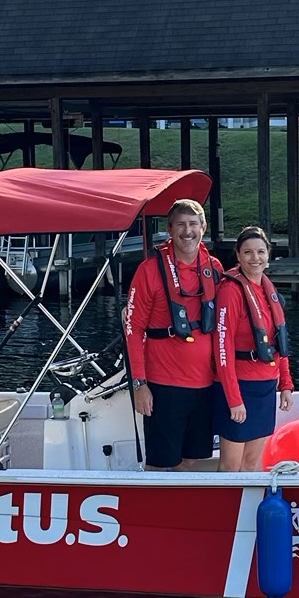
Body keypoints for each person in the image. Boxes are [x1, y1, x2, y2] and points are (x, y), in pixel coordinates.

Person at [123, 199, 224, 470]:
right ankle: (154, 511)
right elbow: (133, 331)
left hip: (205, 385)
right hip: (164, 385)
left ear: (203, 227)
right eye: (180, 224)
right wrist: (139, 385)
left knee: (193, 459)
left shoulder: (214, 267)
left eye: (193, 224)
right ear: (169, 229)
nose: (187, 231)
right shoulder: (149, 271)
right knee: (160, 464)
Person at [213, 226, 294, 471]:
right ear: (238, 255)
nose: (255, 258)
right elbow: (222, 350)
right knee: (231, 465)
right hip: (239, 387)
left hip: (265, 387)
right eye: (247, 252)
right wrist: (234, 400)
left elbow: (278, 342)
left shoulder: (268, 291)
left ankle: (249, 509)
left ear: (268, 255)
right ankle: (223, 510)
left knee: (252, 463)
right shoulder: (230, 291)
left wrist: (286, 384)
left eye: (260, 252)